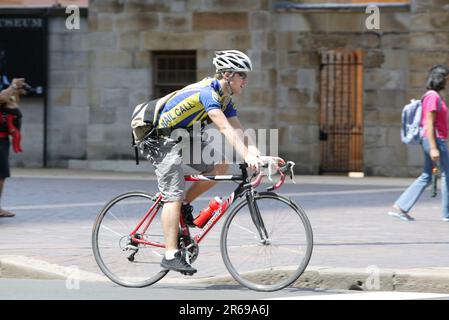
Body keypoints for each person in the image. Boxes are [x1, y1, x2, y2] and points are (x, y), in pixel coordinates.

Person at [144, 50, 274, 274]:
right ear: (227, 74)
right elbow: (223, 127)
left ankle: (184, 206)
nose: (246, 80)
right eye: (242, 75)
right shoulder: (207, 93)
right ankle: (170, 254)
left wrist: (258, 155)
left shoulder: (225, 99)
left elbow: (237, 129)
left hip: (184, 137)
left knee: (220, 166)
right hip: (159, 139)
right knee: (172, 194)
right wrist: (247, 156)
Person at [388, 65, 449, 222]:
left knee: (427, 175)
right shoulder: (432, 97)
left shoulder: (435, 96)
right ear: (440, 79)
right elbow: (429, 123)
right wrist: (434, 147)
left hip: (434, 140)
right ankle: (447, 214)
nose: (448, 81)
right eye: (447, 78)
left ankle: (401, 207)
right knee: (447, 174)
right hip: (434, 140)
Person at [0, 76, 25, 218]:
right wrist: (13, 86)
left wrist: (15, 91)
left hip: (3, 142)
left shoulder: (8, 99)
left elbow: (12, 104)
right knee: (1, 176)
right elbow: (2, 98)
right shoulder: (3, 97)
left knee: (1, 176)